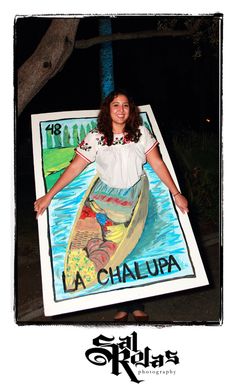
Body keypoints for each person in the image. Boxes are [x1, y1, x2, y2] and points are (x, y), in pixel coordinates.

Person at [34, 89, 188, 322]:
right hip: (102, 196)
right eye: (116, 105)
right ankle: (120, 304)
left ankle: (135, 305)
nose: (121, 110)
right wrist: (50, 195)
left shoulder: (140, 134)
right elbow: (76, 167)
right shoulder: (95, 137)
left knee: (127, 248)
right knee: (102, 241)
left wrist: (176, 193)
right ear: (107, 109)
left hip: (133, 194)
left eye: (125, 105)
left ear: (131, 110)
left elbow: (156, 163)